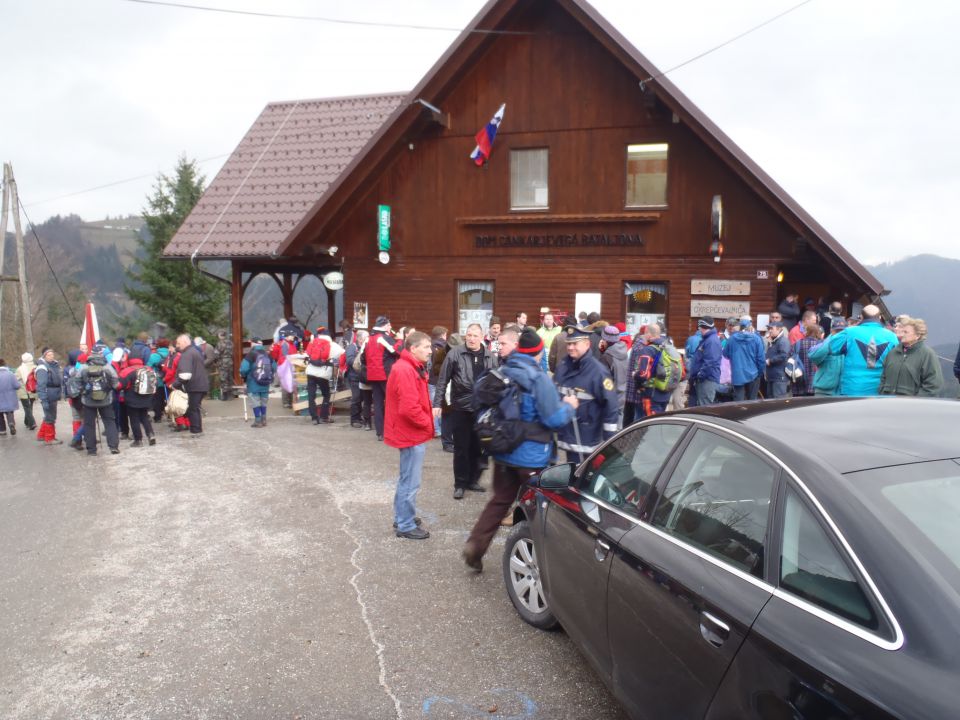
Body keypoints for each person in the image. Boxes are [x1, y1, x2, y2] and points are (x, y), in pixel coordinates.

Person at [462, 327, 577, 571]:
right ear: (538, 353)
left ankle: (475, 545)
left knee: (500, 500)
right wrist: (569, 406)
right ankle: (540, 564)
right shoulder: (538, 378)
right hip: (532, 458)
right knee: (537, 509)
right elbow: (553, 419)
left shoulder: (502, 371)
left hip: (503, 452)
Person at [433, 323, 496, 499]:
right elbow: (442, 380)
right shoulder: (455, 353)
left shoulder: (490, 356)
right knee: (461, 448)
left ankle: (472, 480)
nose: (471, 338)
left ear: (482, 337)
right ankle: (460, 483)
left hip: (482, 409)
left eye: (475, 335)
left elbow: (496, 382)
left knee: (478, 447)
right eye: (468, 335)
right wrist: (437, 403)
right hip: (460, 407)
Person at [385, 331, 435, 540]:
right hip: (410, 433)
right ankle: (405, 524)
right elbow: (409, 408)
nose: (430, 351)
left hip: (408, 432)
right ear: (413, 349)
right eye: (426, 347)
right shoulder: (406, 370)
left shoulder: (408, 367)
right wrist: (427, 424)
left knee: (406, 477)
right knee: (410, 481)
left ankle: (403, 517)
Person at [554, 325, 619, 463]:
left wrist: (609, 442)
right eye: (568, 344)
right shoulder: (562, 367)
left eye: (574, 344)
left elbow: (611, 406)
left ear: (587, 344)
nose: (570, 347)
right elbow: (553, 393)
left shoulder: (598, 372)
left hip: (587, 440)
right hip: (566, 437)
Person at [827, 304, 899, 396]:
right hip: (880, 390)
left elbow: (832, 348)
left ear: (861, 317)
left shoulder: (849, 332)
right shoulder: (892, 336)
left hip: (852, 389)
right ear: (880, 317)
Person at [879, 317, 943, 396]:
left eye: (906, 332)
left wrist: (916, 402)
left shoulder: (927, 354)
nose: (902, 334)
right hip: (888, 403)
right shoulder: (892, 353)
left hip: (912, 405)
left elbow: (933, 385)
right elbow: (883, 377)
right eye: (902, 331)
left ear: (917, 335)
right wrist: (882, 393)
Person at [79, 351, 121, 455]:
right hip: (106, 400)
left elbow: (77, 382)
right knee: (110, 423)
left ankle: (91, 450)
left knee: (89, 425)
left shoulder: (83, 368)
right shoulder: (108, 367)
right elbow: (116, 383)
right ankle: (113, 446)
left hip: (88, 401)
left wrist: (83, 391)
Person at [366, 316, 399, 441]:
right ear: (385, 326)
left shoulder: (369, 338)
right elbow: (396, 351)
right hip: (385, 375)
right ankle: (392, 430)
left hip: (373, 375)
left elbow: (363, 357)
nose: (390, 327)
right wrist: (400, 341)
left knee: (378, 404)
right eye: (389, 325)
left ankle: (380, 432)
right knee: (392, 402)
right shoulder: (384, 338)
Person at [632, 323, 674, 416]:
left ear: (648, 334)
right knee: (659, 421)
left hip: (651, 394)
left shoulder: (648, 350)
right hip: (666, 392)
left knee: (649, 425)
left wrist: (634, 374)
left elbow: (643, 374)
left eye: (645, 334)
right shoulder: (668, 346)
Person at [304, 325, 344, 424]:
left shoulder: (313, 342)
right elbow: (342, 353)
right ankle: (324, 416)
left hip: (310, 372)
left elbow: (306, 355)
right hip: (323, 374)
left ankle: (314, 418)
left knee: (311, 395)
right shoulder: (332, 344)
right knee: (326, 394)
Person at [174, 334, 209, 436]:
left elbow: (185, 375)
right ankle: (197, 429)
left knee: (193, 409)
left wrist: (176, 384)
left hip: (195, 385)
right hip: (201, 384)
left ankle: (196, 431)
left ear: (185, 342)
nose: (177, 345)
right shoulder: (195, 351)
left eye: (178, 343)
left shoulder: (187, 354)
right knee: (195, 408)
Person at [118, 356, 157, 446]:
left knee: (134, 419)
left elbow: (120, 385)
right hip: (147, 398)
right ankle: (151, 434)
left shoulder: (127, 371)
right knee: (144, 417)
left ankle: (138, 440)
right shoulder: (148, 369)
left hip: (132, 399)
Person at [723, 318, 765, 400]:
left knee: (739, 403)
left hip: (738, 373)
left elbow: (725, 354)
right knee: (752, 402)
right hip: (754, 374)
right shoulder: (756, 339)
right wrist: (759, 373)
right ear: (749, 327)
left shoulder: (732, 339)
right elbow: (761, 359)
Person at [240, 338, 275, 428]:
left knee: (255, 401)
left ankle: (258, 421)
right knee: (264, 401)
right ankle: (264, 420)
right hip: (265, 382)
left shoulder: (250, 355)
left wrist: (244, 376)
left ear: (253, 344)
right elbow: (274, 367)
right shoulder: (268, 355)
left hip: (253, 382)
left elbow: (243, 369)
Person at [688, 318, 722, 406]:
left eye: (700, 327)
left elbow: (711, 362)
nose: (699, 330)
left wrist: (700, 375)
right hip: (704, 379)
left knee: (705, 406)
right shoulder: (708, 339)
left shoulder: (711, 341)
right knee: (701, 405)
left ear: (704, 327)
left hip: (707, 380)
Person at [809, 317, 847, 396]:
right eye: (837, 331)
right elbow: (813, 356)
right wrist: (831, 340)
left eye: (841, 331)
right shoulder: (824, 344)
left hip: (842, 392)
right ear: (831, 331)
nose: (839, 334)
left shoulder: (848, 345)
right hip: (823, 391)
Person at [599, 324, 628, 426]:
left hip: (610, 399)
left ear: (605, 339)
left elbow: (604, 381)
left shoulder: (606, 358)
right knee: (618, 430)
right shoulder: (624, 352)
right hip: (622, 396)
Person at [35, 347, 64, 444]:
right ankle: (49, 438)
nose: (51, 356)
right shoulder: (42, 368)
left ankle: (41, 435)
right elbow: (41, 385)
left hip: (53, 394)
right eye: (49, 355)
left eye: (52, 354)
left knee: (49, 415)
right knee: (50, 417)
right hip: (48, 395)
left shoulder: (54, 365)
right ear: (44, 356)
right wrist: (43, 399)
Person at [345, 329, 369, 428]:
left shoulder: (365, 347)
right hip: (354, 377)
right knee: (356, 398)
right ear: (360, 339)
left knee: (362, 398)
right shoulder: (352, 347)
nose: (368, 339)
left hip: (362, 377)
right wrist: (360, 361)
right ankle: (354, 419)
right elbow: (349, 360)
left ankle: (359, 418)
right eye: (366, 337)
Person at [427, 326, 448, 437]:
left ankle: (436, 430)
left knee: (433, 405)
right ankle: (442, 428)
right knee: (442, 404)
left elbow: (428, 364)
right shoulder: (447, 347)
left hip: (432, 380)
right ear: (443, 334)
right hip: (443, 380)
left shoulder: (429, 347)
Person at [764, 322, 791, 399]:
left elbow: (784, 355)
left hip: (779, 377)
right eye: (769, 329)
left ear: (779, 329)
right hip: (772, 376)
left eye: (771, 328)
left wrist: (770, 361)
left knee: (778, 401)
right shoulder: (772, 341)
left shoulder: (783, 341)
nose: (769, 331)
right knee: (770, 400)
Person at [15, 352, 37, 431]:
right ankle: (26, 421)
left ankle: (32, 423)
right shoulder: (35, 367)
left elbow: (16, 380)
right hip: (33, 391)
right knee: (30, 407)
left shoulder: (19, 369)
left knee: (27, 407)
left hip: (23, 391)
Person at [0, 358, 20, 436]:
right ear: (5, 364)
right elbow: (17, 386)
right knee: (9, 412)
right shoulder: (10, 374)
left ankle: (2, 430)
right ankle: (11, 423)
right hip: (10, 398)